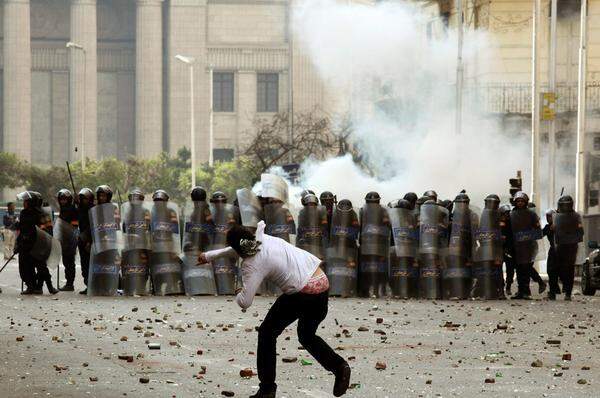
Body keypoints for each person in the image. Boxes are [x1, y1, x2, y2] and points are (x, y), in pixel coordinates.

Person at [199, 221, 351, 398]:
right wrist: (209, 256)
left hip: (303, 292)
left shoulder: (251, 264)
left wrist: (239, 291)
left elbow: (245, 302)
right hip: (321, 282)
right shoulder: (262, 238)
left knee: (267, 333)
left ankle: (267, 389)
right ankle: (340, 367)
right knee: (307, 335)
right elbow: (236, 247)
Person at [56, 189, 79, 291]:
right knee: (66, 262)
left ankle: (70, 284)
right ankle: (69, 282)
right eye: (61, 199)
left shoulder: (72, 209)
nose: (63, 201)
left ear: (69, 199)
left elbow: (74, 225)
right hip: (63, 240)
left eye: (65, 199)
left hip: (70, 239)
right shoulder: (64, 209)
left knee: (69, 262)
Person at [77, 188, 95, 295]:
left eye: (85, 199)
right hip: (82, 239)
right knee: (84, 264)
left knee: (90, 264)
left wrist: (89, 241)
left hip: (90, 239)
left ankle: (93, 286)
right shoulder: (81, 209)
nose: (83, 201)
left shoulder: (93, 209)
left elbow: (92, 226)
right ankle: (88, 285)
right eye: (81, 199)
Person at [543, 209, 559, 300]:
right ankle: (552, 291)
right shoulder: (547, 227)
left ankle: (566, 291)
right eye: (547, 216)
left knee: (562, 271)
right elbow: (540, 234)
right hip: (553, 250)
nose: (549, 218)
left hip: (563, 251)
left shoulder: (561, 225)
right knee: (551, 271)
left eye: (551, 216)